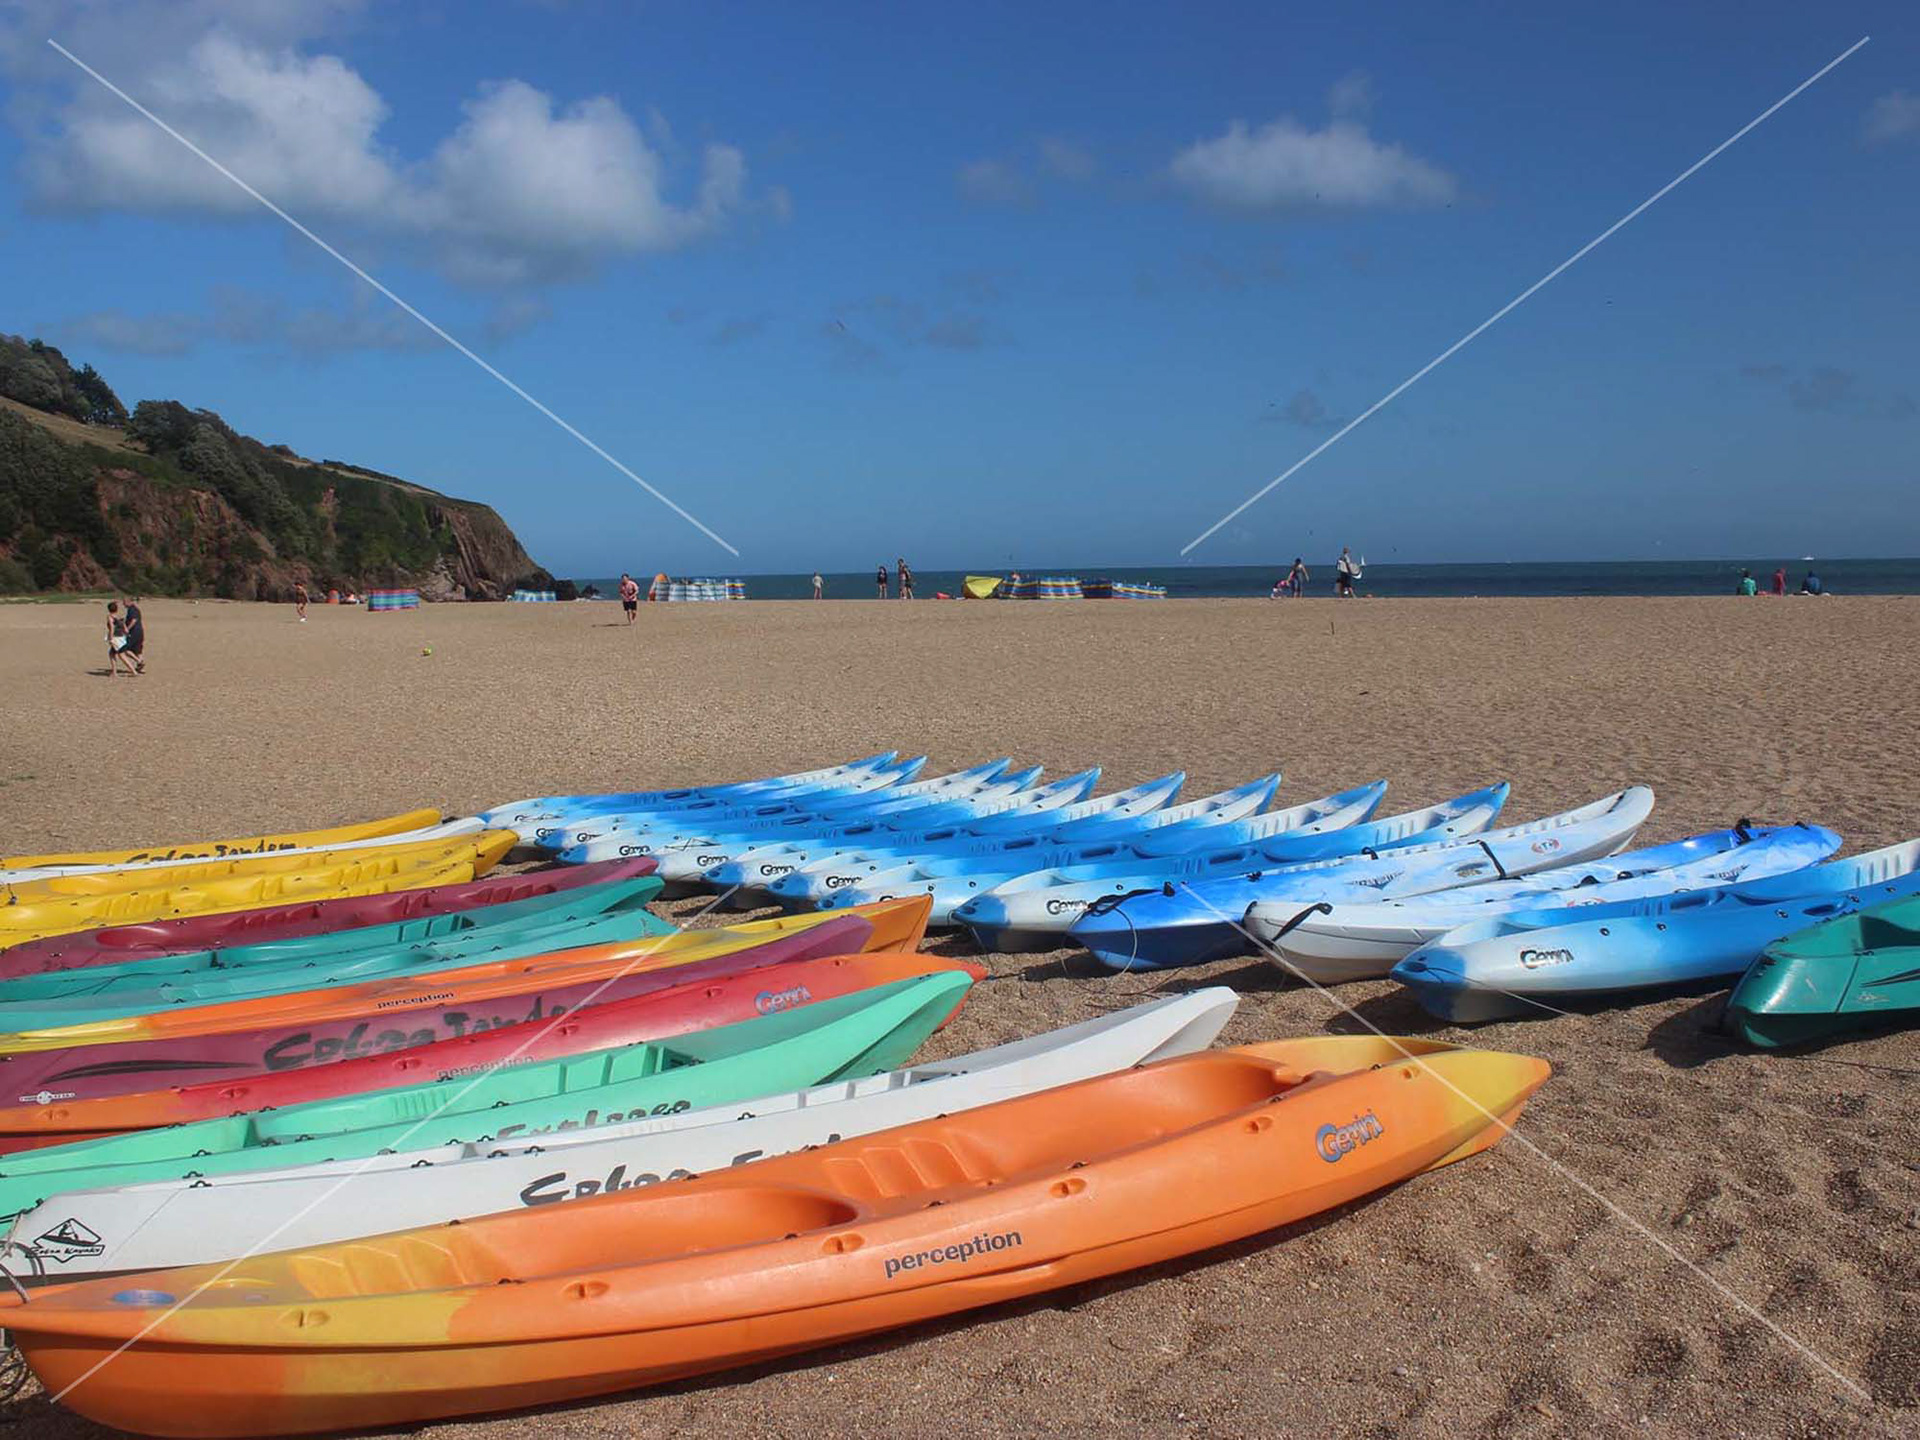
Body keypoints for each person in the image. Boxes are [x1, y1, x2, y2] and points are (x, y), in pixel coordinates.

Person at [104, 601, 139, 677]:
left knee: (121, 655)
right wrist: (126, 633)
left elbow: (112, 628)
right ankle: (114, 672)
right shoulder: (118, 617)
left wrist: (110, 638)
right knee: (111, 654)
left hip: (116, 638)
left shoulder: (110, 617)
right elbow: (125, 628)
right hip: (121, 637)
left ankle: (133, 671)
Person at [122, 594, 146, 673]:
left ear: (129, 602)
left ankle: (139, 661)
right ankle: (141, 668)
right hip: (140, 632)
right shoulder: (135, 609)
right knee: (138, 650)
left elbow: (134, 620)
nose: (123, 604)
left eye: (124, 602)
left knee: (125, 650)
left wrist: (127, 629)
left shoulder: (132, 609)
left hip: (134, 632)